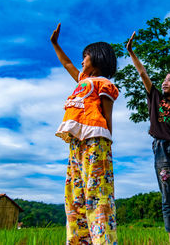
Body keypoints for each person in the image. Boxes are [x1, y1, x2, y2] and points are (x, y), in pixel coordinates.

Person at [51, 23, 119, 245]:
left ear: (97, 58)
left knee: (97, 191)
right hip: (76, 143)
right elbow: (67, 63)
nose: (82, 60)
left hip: (96, 142)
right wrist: (54, 43)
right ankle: (79, 240)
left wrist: (107, 143)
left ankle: (103, 241)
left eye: (86, 56)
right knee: (74, 192)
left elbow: (108, 115)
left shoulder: (103, 83)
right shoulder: (82, 81)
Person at [126, 31, 170, 245]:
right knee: (167, 197)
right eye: (164, 80)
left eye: (169, 80)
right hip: (162, 150)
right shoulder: (154, 97)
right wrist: (131, 52)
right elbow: (143, 73)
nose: (164, 82)